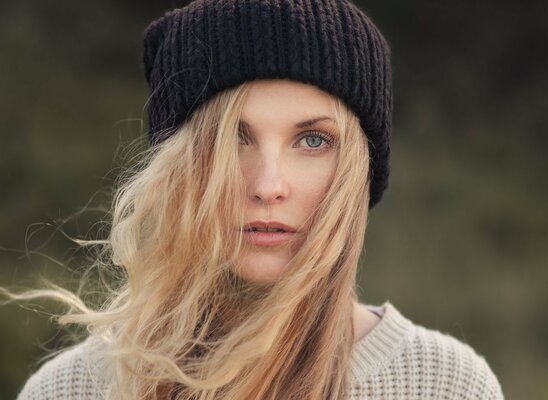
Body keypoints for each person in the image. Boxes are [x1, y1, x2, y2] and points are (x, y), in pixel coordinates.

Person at [9, 0, 504, 399]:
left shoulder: (446, 385)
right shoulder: (70, 390)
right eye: (232, 139)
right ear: (175, 169)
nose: (268, 185)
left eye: (312, 140)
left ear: (358, 171)